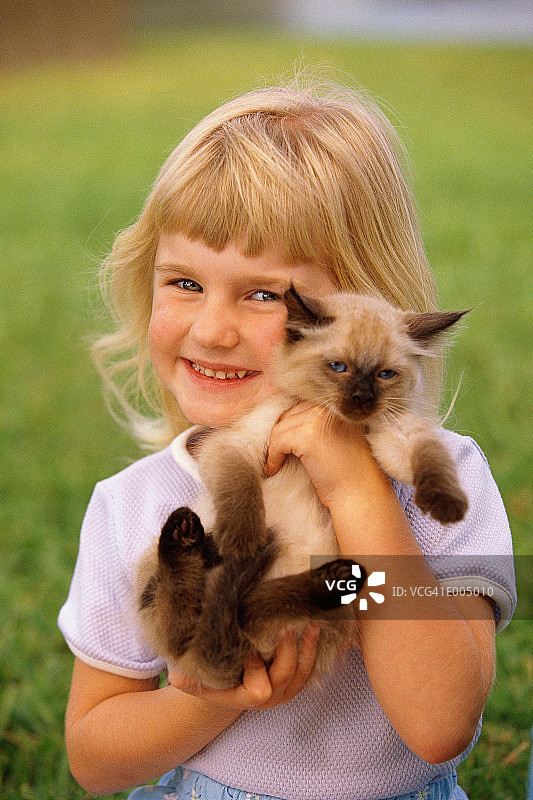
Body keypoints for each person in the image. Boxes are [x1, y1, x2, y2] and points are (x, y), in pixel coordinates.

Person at [58, 77, 516, 800]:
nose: (211, 329)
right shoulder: (135, 503)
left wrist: (356, 486)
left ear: (367, 311)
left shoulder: (442, 482)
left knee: (325, 590)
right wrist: (210, 694)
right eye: (182, 282)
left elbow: (441, 724)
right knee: (190, 584)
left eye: (264, 293)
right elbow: (93, 758)